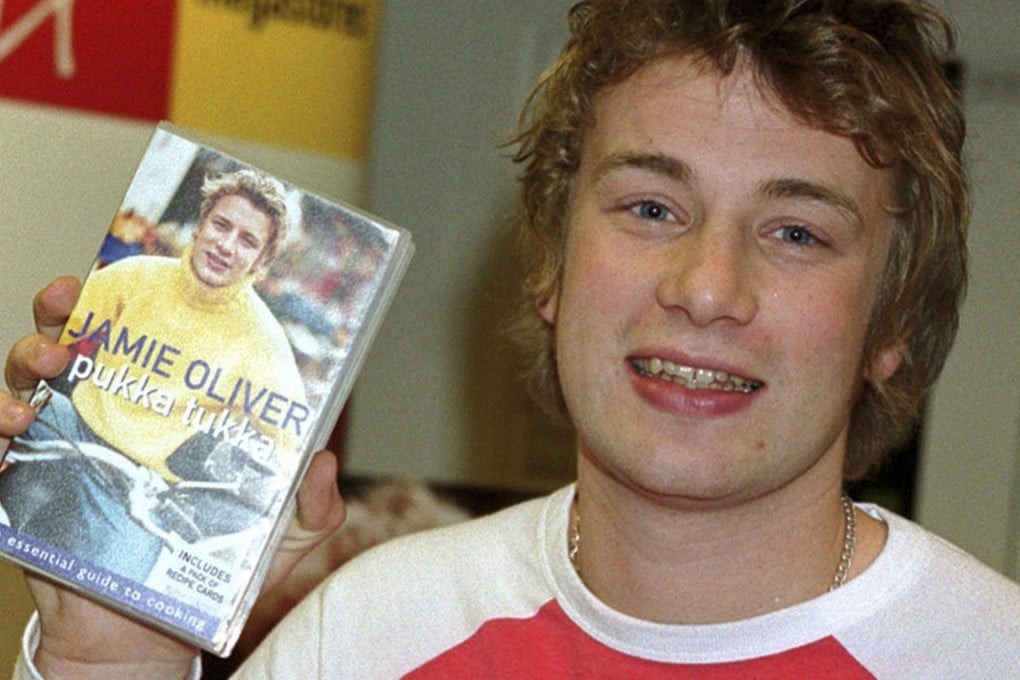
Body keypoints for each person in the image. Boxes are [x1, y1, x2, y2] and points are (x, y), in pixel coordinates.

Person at [4, 0, 1020, 676]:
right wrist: (113, 653)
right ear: (550, 266)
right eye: (651, 207)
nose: (708, 287)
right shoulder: (372, 634)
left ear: (892, 320)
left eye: (796, 231)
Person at [0, 168, 308, 582]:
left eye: (248, 240)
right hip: (66, 424)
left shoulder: (266, 345)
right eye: (221, 225)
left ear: (262, 263)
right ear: (200, 226)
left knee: (121, 584)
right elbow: (59, 350)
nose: (226, 245)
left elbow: (290, 450)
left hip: (138, 487)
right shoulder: (132, 276)